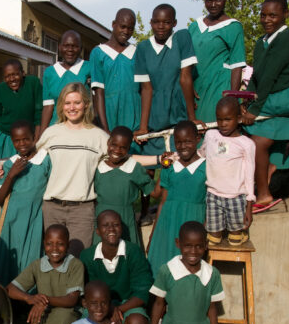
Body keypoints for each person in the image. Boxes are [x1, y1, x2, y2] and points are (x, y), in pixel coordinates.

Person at [30, 83, 164, 255]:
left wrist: (159, 159)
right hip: (52, 207)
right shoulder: (51, 133)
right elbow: (32, 158)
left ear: (86, 104)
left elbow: (123, 156)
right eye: (68, 103)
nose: (72, 107)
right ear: (61, 106)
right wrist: (4, 166)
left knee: (79, 258)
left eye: (77, 103)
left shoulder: (98, 136)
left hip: (82, 210)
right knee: (53, 257)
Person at [242, 0, 289, 211]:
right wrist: (246, 101)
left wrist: (254, 109)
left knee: (244, 123)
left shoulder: (287, 39)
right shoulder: (261, 42)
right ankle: (266, 182)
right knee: (257, 141)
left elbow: (270, 77)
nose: (267, 20)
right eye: (263, 15)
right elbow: (257, 77)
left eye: (273, 15)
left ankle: (264, 190)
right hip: (273, 95)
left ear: (285, 15)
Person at [128, 221, 224, 324]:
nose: (193, 251)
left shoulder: (211, 274)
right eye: (187, 246)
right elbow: (159, 305)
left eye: (199, 246)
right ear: (178, 244)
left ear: (206, 245)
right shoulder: (167, 271)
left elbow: (212, 309)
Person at [6, 224, 84, 324]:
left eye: (60, 244)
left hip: (69, 312)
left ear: (68, 245)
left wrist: (44, 300)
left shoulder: (75, 265)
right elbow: (10, 289)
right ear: (44, 244)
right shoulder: (37, 265)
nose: (54, 249)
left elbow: (72, 299)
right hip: (45, 312)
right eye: (49, 244)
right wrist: (29, 298)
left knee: (64, 317)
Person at [133, 3, 199, 156]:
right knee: (150, 165)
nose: (161, 26)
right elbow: (146, 88)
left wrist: (192, 119)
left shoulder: (182, 37)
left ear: (174, 23)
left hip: (178, 113)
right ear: (151, 23)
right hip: (155, 116)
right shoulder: (143, 48)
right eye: (156, 22)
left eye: (166, 22)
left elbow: (185, 77)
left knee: (178, 161)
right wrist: (143, 127)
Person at [79, 210, 152, 324]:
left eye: (116, 225)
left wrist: (118, 310)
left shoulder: (133, 251)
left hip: (128, 304)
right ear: (98, 231)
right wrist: (107, 310)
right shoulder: (87, 256)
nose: (111, 229)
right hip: (98, 305)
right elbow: (87, 293)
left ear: (121, 228)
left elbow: (142, 293)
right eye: (105, 225)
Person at [0, 120, 51, 285]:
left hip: (35, 217)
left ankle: (29, 299)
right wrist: (11, 174)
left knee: (32, 258)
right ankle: (7, 299)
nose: (22, 144)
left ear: (34, 137)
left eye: (26, 139)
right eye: (17, 140)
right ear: (12, 141)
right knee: (10, 259)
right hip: (13, 219)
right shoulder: (11, 163)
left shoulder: (45, 160)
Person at [147, 121, 206, 272]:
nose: (183, 146)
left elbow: (209, 202)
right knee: (161, 268)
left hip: (193, 223)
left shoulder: (206, 167)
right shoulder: (169, 165)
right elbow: (162, 200)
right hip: (167, 225)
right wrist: (153, 234)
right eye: (178, 142)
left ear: (197, 139)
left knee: (188, 271)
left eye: (188, 141)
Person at [188, 0, 246, 122]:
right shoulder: (195, 26)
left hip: (218, 89)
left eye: (218, 0)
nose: (213, 5)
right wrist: (188, 85)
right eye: (209, 0)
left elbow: (237, 66)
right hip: (196, 89)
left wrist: (232, 99)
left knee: (214, 129)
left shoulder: (233, 27)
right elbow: (186, 61)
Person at [199, 97, 255, 246]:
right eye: (219, 120)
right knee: (213, 239)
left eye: (228, 119)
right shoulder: (211, 135)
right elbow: (201, 154)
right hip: (213, 195)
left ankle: (237, 236)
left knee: (235, 240)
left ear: (238, 118)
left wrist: (249, 207)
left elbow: (249, 176)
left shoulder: (247, 144)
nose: (223, 124)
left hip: (236, 197)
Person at [93, 126, 154, 246]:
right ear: (108, 143)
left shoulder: (134, 167)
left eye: (123, 148)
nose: (117, 150)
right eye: (114, 145)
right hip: (101, 216)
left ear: (129, 148)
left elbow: (150, 191)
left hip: (125, 218)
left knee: (126, 252)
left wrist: (144, 212)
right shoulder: (98, 166)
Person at [0, 59, 43, 167]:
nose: (12, 79)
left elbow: (38, 114)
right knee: (2, 174)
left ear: (23, 73)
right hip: (6, 140)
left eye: (15, 74)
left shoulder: (33, 83)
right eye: (7, 76)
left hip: (28, 139)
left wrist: (35, 142)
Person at [91, 9, 141, 141]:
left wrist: (142, 126)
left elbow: (144, 89)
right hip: (110, 118)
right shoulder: (98, 52)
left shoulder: (137, 52)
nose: (126, 31)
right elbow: (99, 93)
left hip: (133, 121)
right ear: (113, 24)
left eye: (130, 29)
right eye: (122, 26)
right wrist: (104, 128)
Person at [40, 30, 92, 128]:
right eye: (66, 45)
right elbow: (48, 106)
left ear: (81, 49)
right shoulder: (50, 72)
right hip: (56, 128)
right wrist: (42, 135)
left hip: (82, 127)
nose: (70, 49)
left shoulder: (89, 68)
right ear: (59, 47)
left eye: (75, 46)